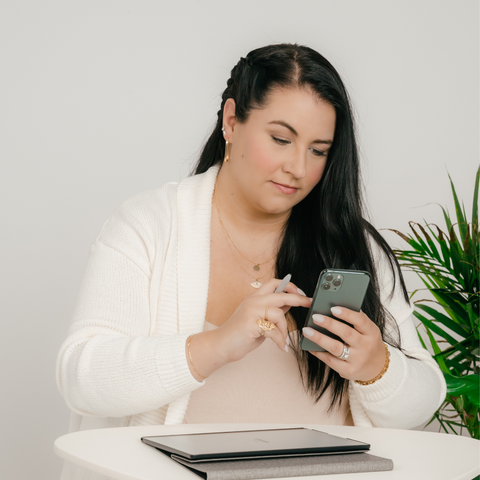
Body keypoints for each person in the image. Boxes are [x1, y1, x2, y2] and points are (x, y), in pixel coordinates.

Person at [56, 43, 446, 479]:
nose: (298, 168)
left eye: (318, 150)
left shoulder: (351, 245)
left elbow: (426, 397)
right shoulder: (149, 226)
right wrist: (218, 344)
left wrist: (378, 368)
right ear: (231, 121)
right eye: (281, 139)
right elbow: (81, 378)